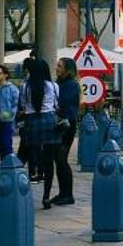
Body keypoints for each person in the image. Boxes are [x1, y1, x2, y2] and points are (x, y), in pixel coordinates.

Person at [19, 55, 57, 192]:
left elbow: (23, 104)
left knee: (32, 147)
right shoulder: (53, 86)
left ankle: (33, 173)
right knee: (48, 153)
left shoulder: (25, 87)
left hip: (31, 119)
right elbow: (56, 104)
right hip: (48, 119)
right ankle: (46, 185)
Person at [46, 60, 78, 207]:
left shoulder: (70, 85)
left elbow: (62, 101)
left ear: (67, 69)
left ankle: (68, 194)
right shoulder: (60, 83)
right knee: (58, 159)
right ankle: (63, 192)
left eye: (59, 66)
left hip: (67, 124)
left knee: (61, 159)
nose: (56, 68)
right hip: (60, 123)